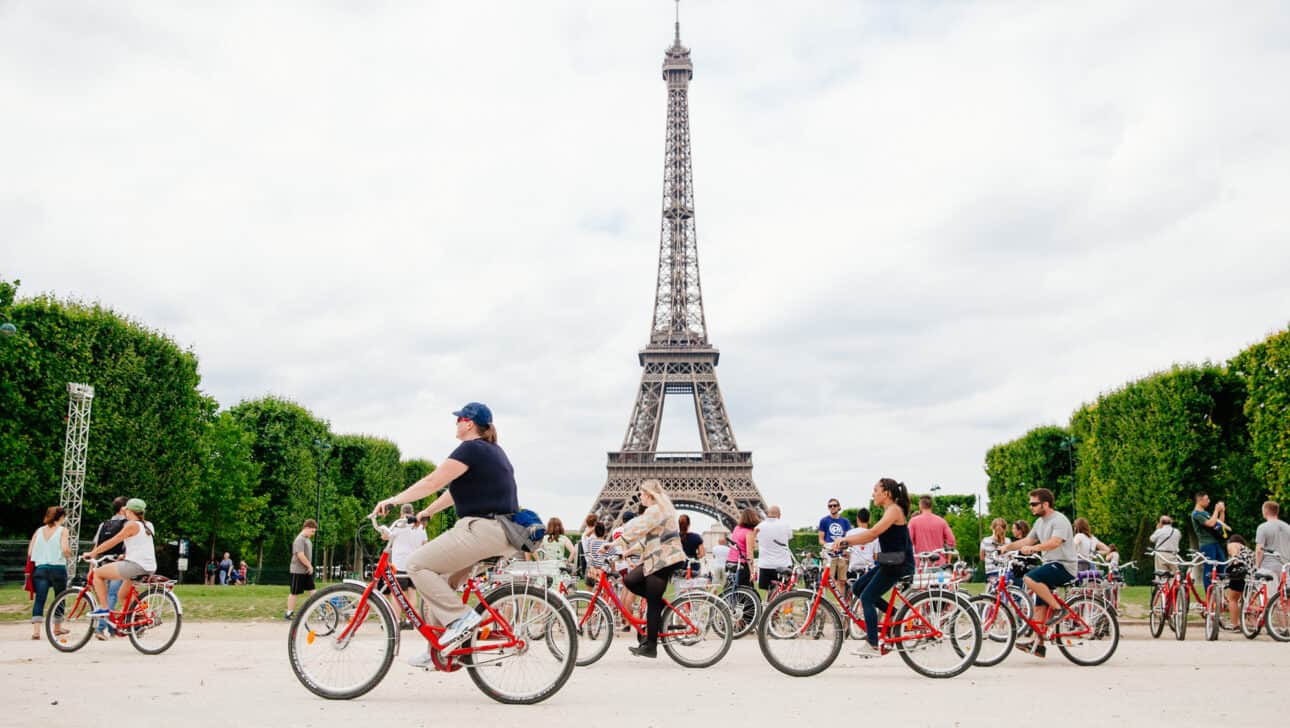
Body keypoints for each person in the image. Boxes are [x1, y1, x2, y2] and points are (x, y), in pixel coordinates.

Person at [371, 401, 522, 668]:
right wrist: (426, 512)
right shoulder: (492, 451)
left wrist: (393, 500)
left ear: (470, 424)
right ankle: (439, 651)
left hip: (480, 529)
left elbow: (432, 481)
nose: (455, 423)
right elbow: (454, 492)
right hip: (501, 532)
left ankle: (462, 619)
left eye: (459, 419)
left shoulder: (471, 448)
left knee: (417, 564)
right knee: (442, 581)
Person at [829, 478, 915, 658]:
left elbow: (872, 534)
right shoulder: (890, 510)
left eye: (875, 490)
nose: (873, 493)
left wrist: (845, 540)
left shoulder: (893, 511)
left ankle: (872, 643)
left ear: (887, 493)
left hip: (897, 564)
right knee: (858, 587)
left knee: (867, 597)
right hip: (890, 561)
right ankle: (894, 614)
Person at [605, 480, 685, 658]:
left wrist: (613, 543)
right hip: (659, 559)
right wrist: (627, 552)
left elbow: (636, 528)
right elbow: (648, 538)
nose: (639, 496)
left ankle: (650, 645)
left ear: (649, 494)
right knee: (630, 580)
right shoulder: (660, 510)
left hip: (664, 560)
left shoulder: (655, 510)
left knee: (652, 601)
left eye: (641, 493)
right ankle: (657, 613)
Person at [998, 488, 1077, 659]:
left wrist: (1033, 549)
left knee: (1030, 578)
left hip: (1064, 566)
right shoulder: (1040, 523)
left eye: (1034, 504)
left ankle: (1059, 609)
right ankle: (1038, 645)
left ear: (1045, 504)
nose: (1031, 507)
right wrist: (1007, 547)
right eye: (1030, 504)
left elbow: (1055, 543)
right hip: (1051, 565)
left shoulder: (1059, 520)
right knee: (1039, 606)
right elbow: (1027, 540)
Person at [83, 498, 156, 637]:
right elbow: (140, 545)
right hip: (148, 566)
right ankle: (141, 616)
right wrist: (126, 555)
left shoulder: (131, 525)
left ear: (129, 511)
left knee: (97, 574)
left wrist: (93, 553)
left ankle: (103, 609)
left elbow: (113, 541)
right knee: (122, 595)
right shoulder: (149, 525)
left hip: (134, 566)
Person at [28, 506, 72, 640]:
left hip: (40, 568)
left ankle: (36, 631)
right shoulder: (63, 530)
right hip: (57, 568)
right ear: (60, 517)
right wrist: (69, 556)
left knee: (40, 599)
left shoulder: (39, 531)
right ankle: (57, 628)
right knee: (59, 598)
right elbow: (64, 548)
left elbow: (30, 552)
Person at [379, 503, 427, 621]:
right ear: (413, 513)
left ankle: (396, 620)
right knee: (412, 592)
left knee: (398, 594)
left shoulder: (398, 526)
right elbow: (424, 543)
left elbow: (385, 537)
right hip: (414, 564)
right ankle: (411, 620)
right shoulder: (419, 526)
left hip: (400, 564)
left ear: (401, 514)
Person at [91, 496, 128, 636]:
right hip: (118, 563)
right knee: (112, 595)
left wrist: (92, 566)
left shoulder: (104, 524)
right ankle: (101, 628)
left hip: (102, 563)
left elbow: (97, 545)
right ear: (123, 508)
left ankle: (112, 628)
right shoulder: (127, 524)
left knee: (103, 597)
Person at [1191, 492, 1229, 589]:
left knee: (1222, 566)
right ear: (1200, 500)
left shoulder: (1206, 513)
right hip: (1207, 545)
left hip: (1215, 543)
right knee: (1209, 569)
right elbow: (1211, 523)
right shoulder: (1196, 514)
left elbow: (1219, 524)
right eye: (1207, 499)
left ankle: (1219, 592)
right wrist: (1216, 510)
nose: (1209, 501)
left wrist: (1222, 512)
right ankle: (1209, 593)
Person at [909, 495, 956, 566]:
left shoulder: (913, 521)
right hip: (939, 563)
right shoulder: (941, 521)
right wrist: (948, 560)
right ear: (931, 506)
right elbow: (951, 541)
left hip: (921, 564)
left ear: (920, 506)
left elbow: (908, 542)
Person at [285, 519, 317, 621]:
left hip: (306, 570)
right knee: (294, 592)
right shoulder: (299, 539)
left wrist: (308, 567)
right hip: (297, 570)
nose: (313, 533)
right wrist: (309, 566)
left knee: (312, 590)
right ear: (306, 528)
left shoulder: (307, 539)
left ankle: (321, 612)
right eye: (312, 531)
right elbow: (300, 555)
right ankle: (289, 613)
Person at [756, 506, 794, 591]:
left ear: (767, 514)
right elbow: (789, 537)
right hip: (783, 564)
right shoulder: (785, 525)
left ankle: (768, 604)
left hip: (765, 564)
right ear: (779, 515)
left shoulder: (759, 526)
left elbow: (756, 540)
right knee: (785, 592)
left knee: (768, 592)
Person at [818, 498, 850, 597]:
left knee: (842, 581)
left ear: (839, 507)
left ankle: (842, 606)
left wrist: (845, 550)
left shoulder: (845, 521)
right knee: (827, 581)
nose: (832, 507)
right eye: (830, 506)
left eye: (834, 505)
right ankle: (825, 604)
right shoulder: (824, 521)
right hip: (829, 554)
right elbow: (821, 540)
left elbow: (848, 538)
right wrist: (830, 546)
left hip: (842, 554)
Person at [1225, 534, 1256, 628]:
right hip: (1251, 578)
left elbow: (1235, 556)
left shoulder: (1232, 544)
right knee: (1247, 601)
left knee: (1232, 599)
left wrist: (1234, 564)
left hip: (1240, 574)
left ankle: (1235, 624)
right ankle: (1254, 625)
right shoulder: (1248, 550)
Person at [844, 508, 879, 586]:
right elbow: (876, 557)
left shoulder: (850, 533)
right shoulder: (874, 535)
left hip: (853, 569)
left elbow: (846, 554)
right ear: (869, 519)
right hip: (868, 570)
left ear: (857, 519)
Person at [1255, 501, 1290, 574]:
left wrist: (1257, 566)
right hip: (1286, 567)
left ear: (1265, 511)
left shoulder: (1262, 527)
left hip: (1268, 567)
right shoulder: (1287, 527)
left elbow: (1259, 550)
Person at [728, 508, 760, 589]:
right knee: (749, 593)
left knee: (735, 589)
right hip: (742, 565)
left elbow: (741, 543)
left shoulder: (737, 528)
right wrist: (752, 572)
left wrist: (754, 534)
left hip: (731, 562)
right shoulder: (749, 533)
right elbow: (749, 554)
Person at [979, 518, 1010, 583]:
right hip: (1005, 571)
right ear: (1005, 528)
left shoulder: (985, 541)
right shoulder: (1008, 541)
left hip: (990, 571)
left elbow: (982, 557)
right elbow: (1010, 557)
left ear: (991, 527)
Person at [582, 521, 609, 587]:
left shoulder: (589, 542)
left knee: (589, 596)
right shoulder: (607, 545)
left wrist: (594, 528)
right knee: (601, 596)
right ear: (605, 532)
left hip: (590, 570)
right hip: (601, 572)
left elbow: (584, 535)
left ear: (594, 532)